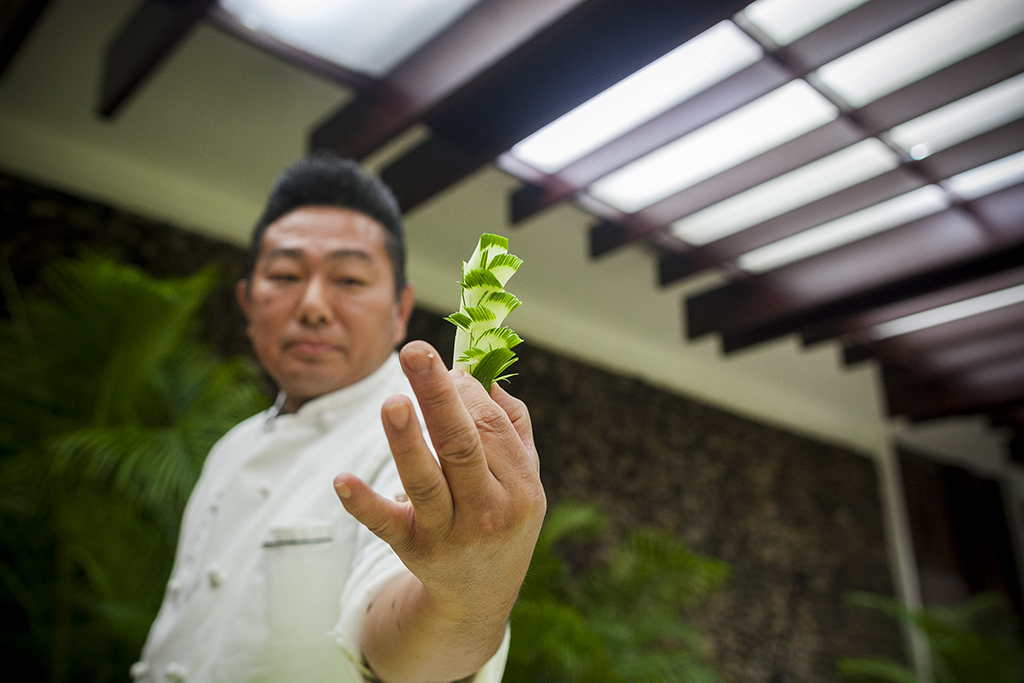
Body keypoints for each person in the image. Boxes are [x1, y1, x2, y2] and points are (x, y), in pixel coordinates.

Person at [132, 154, 546, 682]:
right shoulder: (230, 446)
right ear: (247, 302)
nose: (313, 306)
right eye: (285, 275)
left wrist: (464, 601)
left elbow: (406, 644)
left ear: (401, 309)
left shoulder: (415, 431)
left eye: (349, 279)